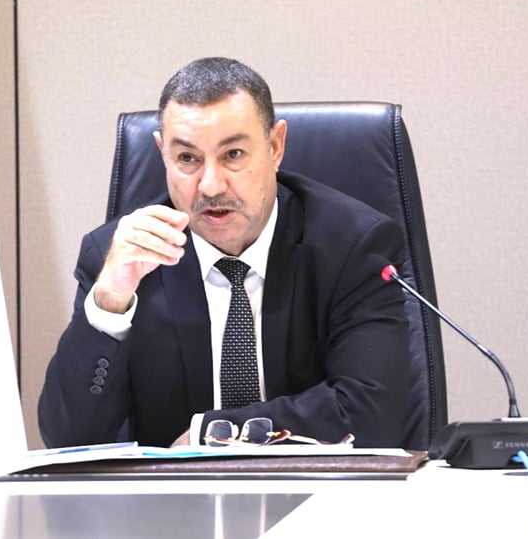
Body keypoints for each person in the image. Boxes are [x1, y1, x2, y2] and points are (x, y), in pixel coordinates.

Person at [38, 57, 410, 449]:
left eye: (233, 154)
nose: (211, 186)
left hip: (313, 484)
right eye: (187, 159)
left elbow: (372, 415)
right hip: (171, 490)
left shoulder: (352, 248)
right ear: (163, 153)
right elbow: (69, 440)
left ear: (275, 146)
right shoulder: (121, 259)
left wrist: (212, 433)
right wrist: (110, 302)